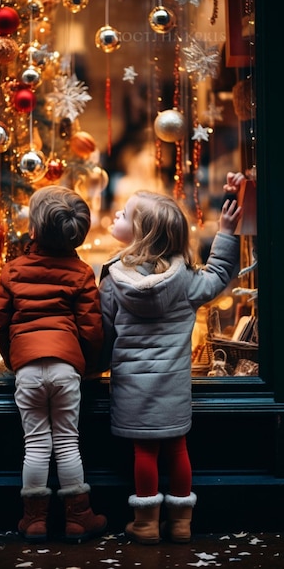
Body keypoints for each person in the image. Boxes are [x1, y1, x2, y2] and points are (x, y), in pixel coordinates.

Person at [99, 190, 242, 545]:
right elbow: (221, 272)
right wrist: (226, 232)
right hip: (174, 388)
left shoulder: (112, 282)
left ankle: (146, 524)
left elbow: (102, 333)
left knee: (143, 451)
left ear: (141, 234)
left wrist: (93, 368)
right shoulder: (188, 282)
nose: (117, 214)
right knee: (177, 448)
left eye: (126, 214)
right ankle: (181, 524)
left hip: (131, 389)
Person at [0, 185, 107, 543]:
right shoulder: (82, 272)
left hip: (27, 369)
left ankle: (35, 519)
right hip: (66, 368)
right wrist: (87, 365)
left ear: (34, 229)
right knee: (68, 441)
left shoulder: (13, 271)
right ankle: (78, 518)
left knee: (36, 443)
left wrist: (15, 357)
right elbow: (92, 328)